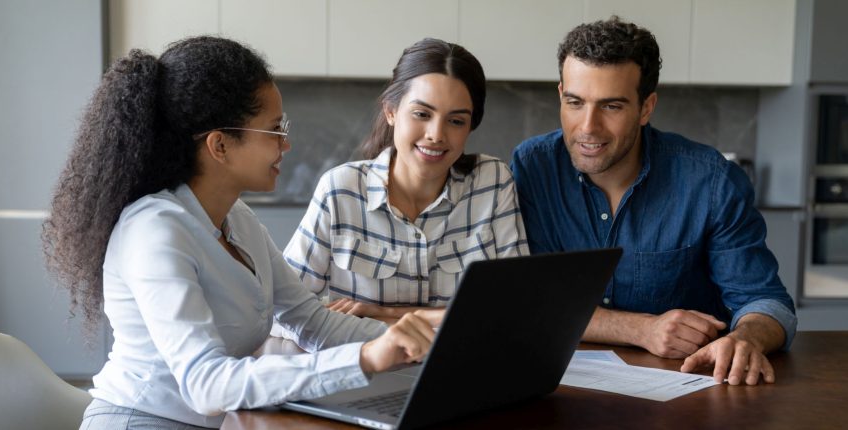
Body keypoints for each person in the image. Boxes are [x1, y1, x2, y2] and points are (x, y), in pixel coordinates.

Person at [41, 36, 437, 429]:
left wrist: (423, 346)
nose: (288, 144)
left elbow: (313, 322)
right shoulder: (155, 231)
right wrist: (366, 358)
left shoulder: (238, 219)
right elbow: (207, 386)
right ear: (220, 145)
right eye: (274, 130)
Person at [511, 17, 797, 386]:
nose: (588, 127)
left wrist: (746, 338)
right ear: (561, 95)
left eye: (611, 106)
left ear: (646, 108)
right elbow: (532, 301)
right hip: (561, 390)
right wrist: (641, 329)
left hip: (689, 391)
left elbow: (767, 302)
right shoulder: (533, 168)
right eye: (575, 102)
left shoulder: (710, 181)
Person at [282, 38, 528, 323]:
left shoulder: (493, 182)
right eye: (422, 114)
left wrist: (386, 315)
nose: (436, 134)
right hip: (362, 364)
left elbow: (517, 307)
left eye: (456, 121)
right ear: (391, 111)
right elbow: (285, 309)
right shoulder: (341, 190)